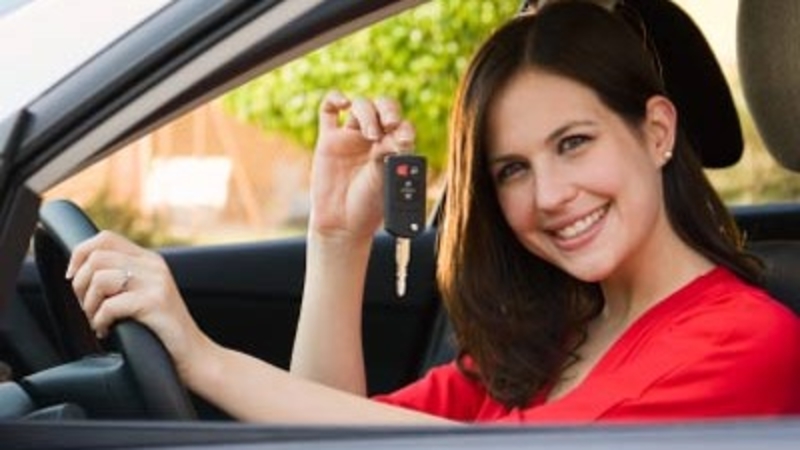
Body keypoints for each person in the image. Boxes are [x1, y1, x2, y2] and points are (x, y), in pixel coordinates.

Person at [66, 1, 800, 423]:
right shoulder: (559, 335)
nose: (547, 196)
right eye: (512, 169)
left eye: (574, 143)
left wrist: (203, 360)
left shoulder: (750, 343)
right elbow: (336, 431)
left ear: (659, 132)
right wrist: (336, 236)